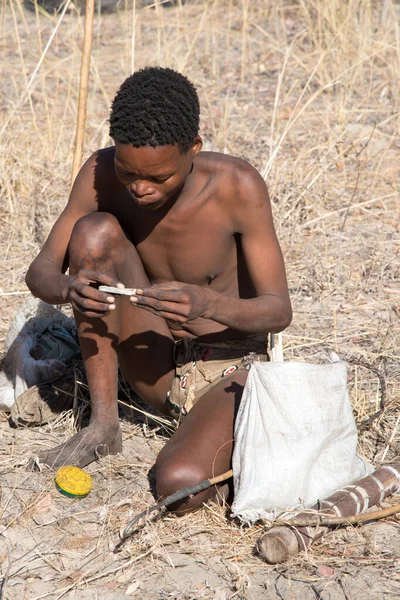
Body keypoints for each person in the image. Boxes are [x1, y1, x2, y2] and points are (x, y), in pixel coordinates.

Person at [26, 67, 292, 512]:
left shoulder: (237, 187)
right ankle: (104, 425)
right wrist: (71, 288)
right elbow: (40, 272)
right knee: (93, 232)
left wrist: (212, 303)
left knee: (178, 486)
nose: (141, 188)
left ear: (194, 150)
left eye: (160, 177)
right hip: (151, 366)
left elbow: (278, 311)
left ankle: (219, 446)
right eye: (128, 173)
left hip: (226, 373)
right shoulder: (99, 173)